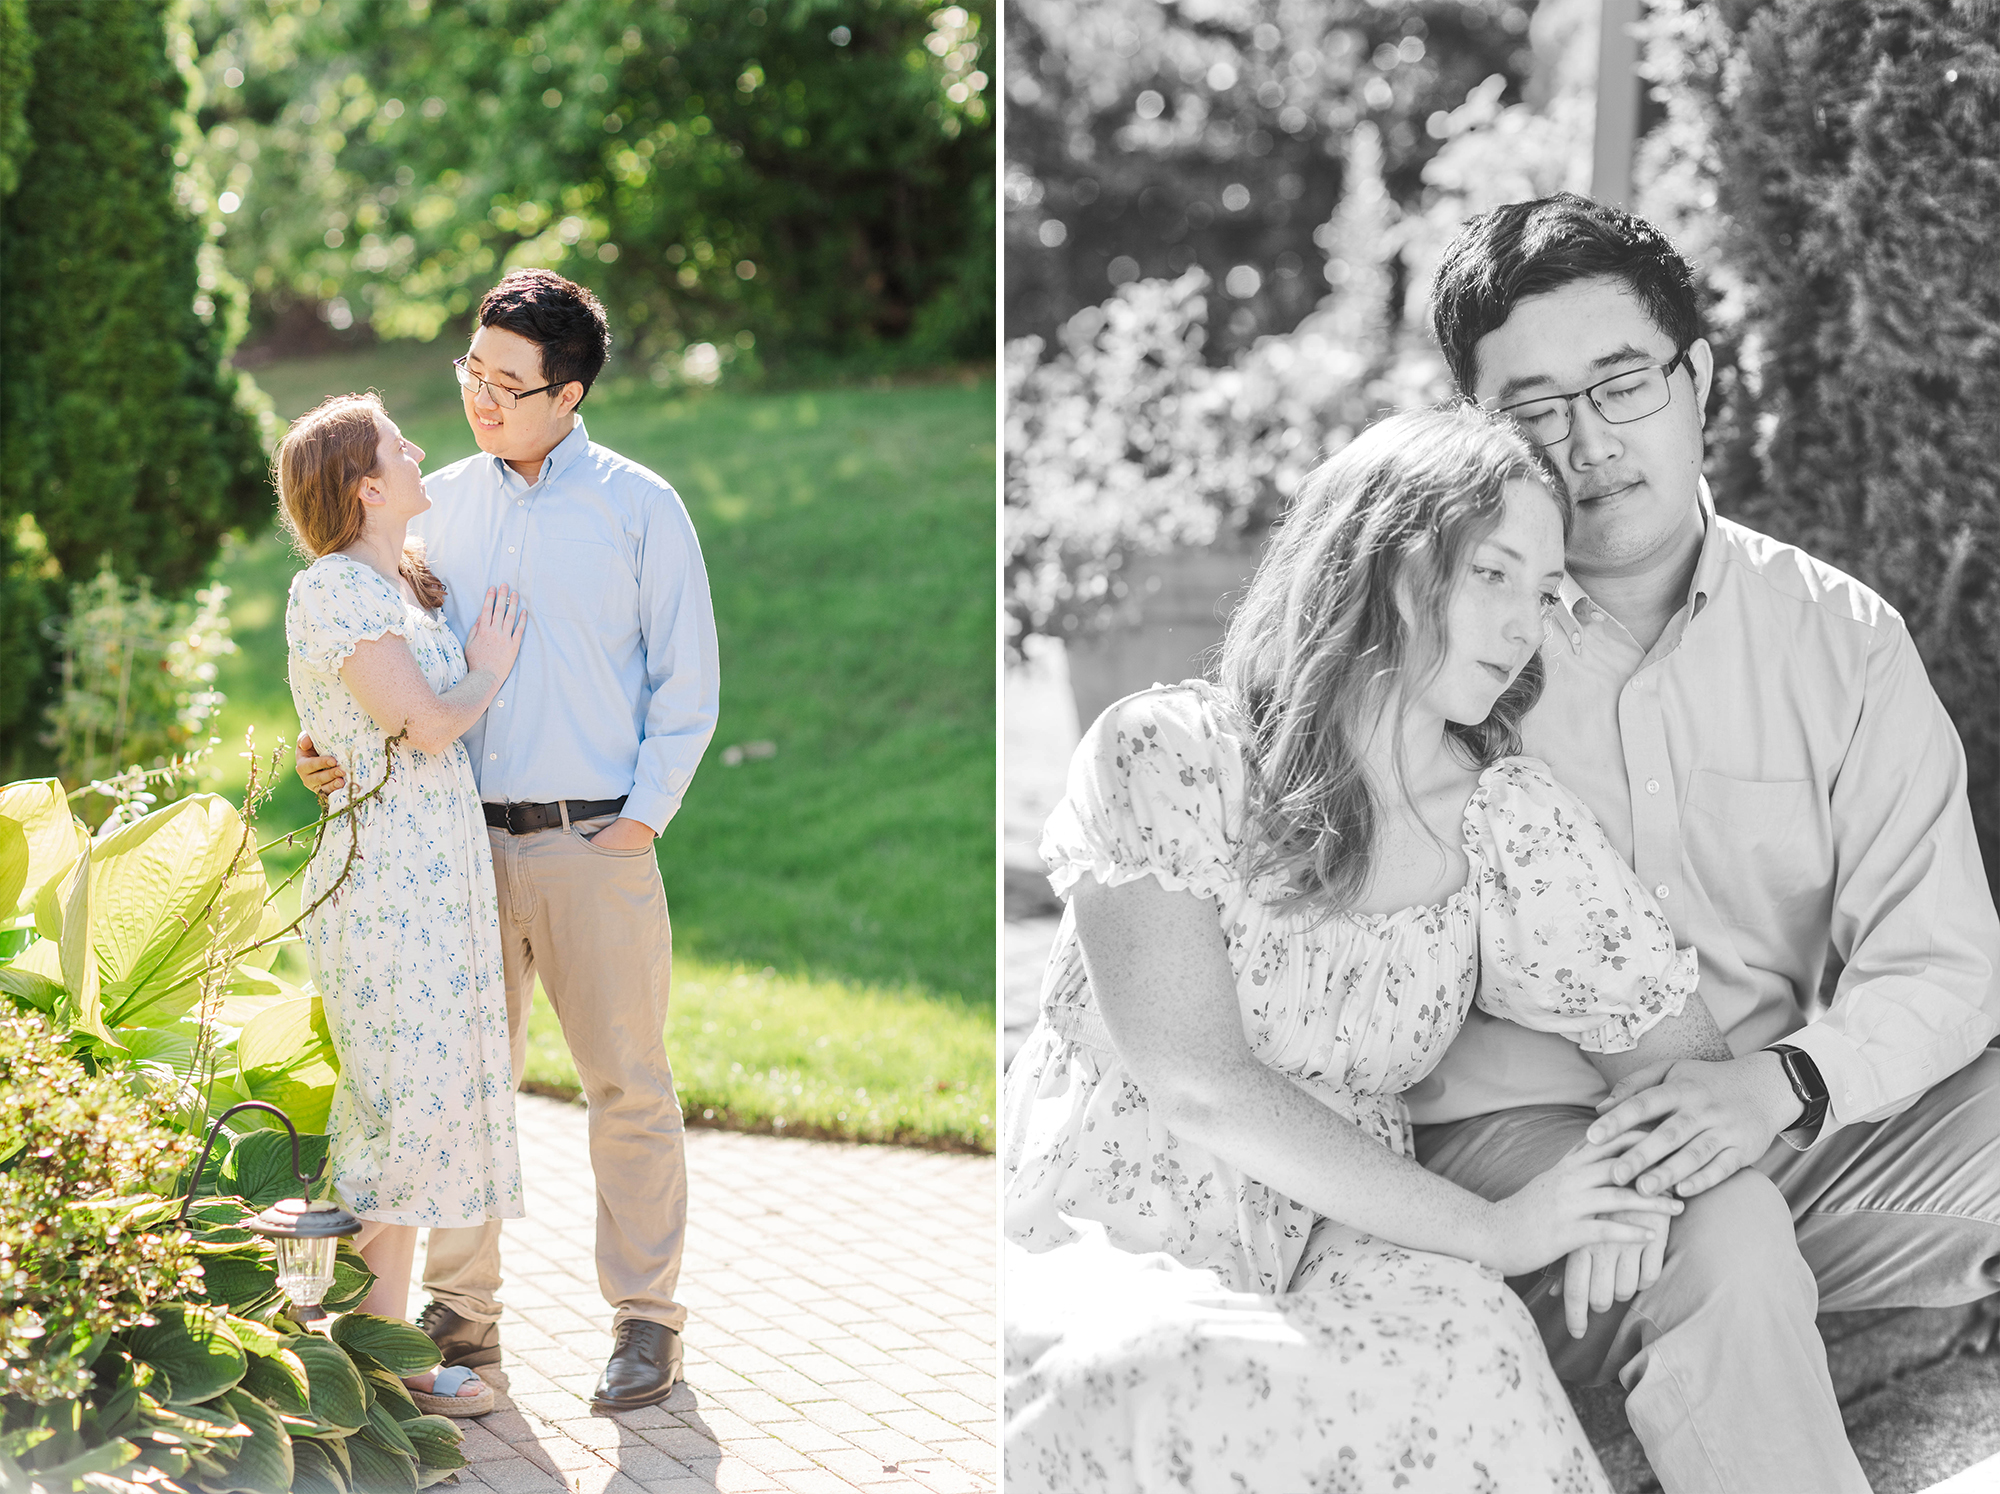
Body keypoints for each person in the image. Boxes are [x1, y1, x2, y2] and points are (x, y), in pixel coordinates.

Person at [1004, 403, 1736, 1493]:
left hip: (1346, 1230)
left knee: (1468, 1346)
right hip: (1114, 1223)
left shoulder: (1502, 820)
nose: (1523, 626)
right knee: (1156, 1370)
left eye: (1542, 593)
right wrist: (1496, 1230)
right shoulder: (1170, 756)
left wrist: (1629, 1188)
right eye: (1492, 575)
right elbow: (1197, 1081)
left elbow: (1680, 1053)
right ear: (1384, 563)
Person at [1407, 192, 2000, 1494]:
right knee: (1723, 1243)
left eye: (1622, 385)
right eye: (1533, 409)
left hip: (1774, 1122)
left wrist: (1783, 1083)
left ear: (1699, 379)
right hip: (1528, 1153)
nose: (1587, 444)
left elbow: (1947, 959)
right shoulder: (1440, 645)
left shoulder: (1839, 638)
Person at [297, 268, 720, 1411]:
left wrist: (642, 820)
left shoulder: (642, 507)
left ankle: (643, 1319)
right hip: (454, 855)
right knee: (464, 1083)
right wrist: (328, 745)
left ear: (567, 394)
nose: (479, 399)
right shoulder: (442, 507)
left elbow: (690, 684)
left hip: (595, 844)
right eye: (470, 372)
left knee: (625, 1083)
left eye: (506, 382)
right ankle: (463, 1311)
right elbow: (390, 665)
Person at [278, 392, 527, 1418]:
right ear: (364, 485)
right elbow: (423, 726)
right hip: (385, 884)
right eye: (397, 444)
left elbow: (360, 726)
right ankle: (361, 1345)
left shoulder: (401, 584)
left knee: (420, 1104)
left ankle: (369, 1343)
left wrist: (327, 749)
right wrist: (487, 673)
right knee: (401, 1101)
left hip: (434, 878)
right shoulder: (333, 587)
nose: (419, 448)